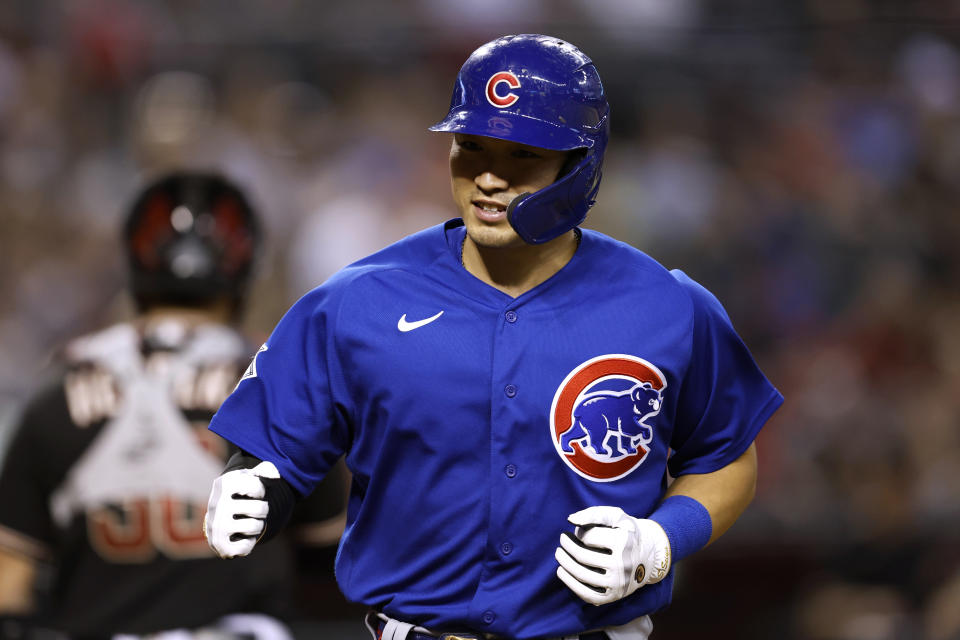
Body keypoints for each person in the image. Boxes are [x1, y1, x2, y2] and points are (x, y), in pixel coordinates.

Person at [203, 34, 783, 640]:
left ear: (580, 164)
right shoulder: (358, 300)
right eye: (470, 147)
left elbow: (726, 458)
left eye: (520, 156)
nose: (487, 177)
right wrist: (254, 485)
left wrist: (661, 540)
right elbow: (273, 451)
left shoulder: (667, 304)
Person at [0, 172, 347, 639]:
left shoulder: (55, 396)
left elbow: (9, 589)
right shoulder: (281, 391)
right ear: (243, 269)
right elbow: (338, 577)